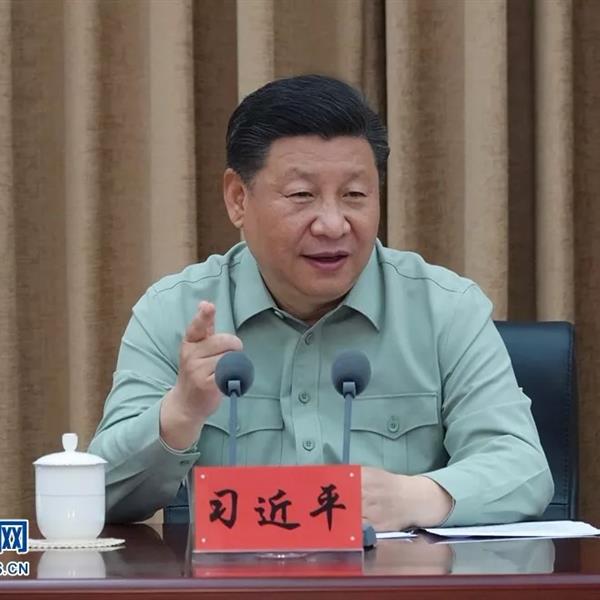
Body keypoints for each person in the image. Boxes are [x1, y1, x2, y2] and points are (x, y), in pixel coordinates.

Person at [89, 74, 553, 530]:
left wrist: (413, 497)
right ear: (238, 199)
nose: (332, 224)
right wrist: (181, 412)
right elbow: (99, 494)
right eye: (302, 195)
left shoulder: (445, 310)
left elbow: (524, 470)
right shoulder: (174, 314)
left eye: (354, 195)